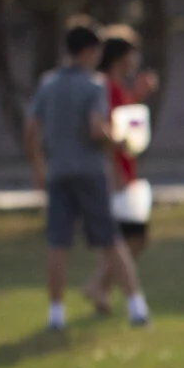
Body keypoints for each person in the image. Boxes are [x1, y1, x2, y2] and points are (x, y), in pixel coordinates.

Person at [25, 17, 147, 331]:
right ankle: (136, 307)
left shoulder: (48, 84)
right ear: (89, 51)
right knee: (111, 240)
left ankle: (56, 314)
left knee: (57, 244)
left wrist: (38, 167)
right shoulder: (93, 85)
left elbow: (31, 129)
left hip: (58, 171)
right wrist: (118, 140)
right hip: (90, 172)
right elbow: (96, 128)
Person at [98, 25, 160, 296]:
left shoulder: (116, 87)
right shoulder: (105, 87)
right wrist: (117, 175)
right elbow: (108, 133)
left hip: (124, 169)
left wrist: (137, 94)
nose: (135, 60)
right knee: (132, 237)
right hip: (116, 173)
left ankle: (100, 290)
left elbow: (124, 120)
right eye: (132, 53)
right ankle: (97, 287)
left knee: (124, 238)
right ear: (118, 57)